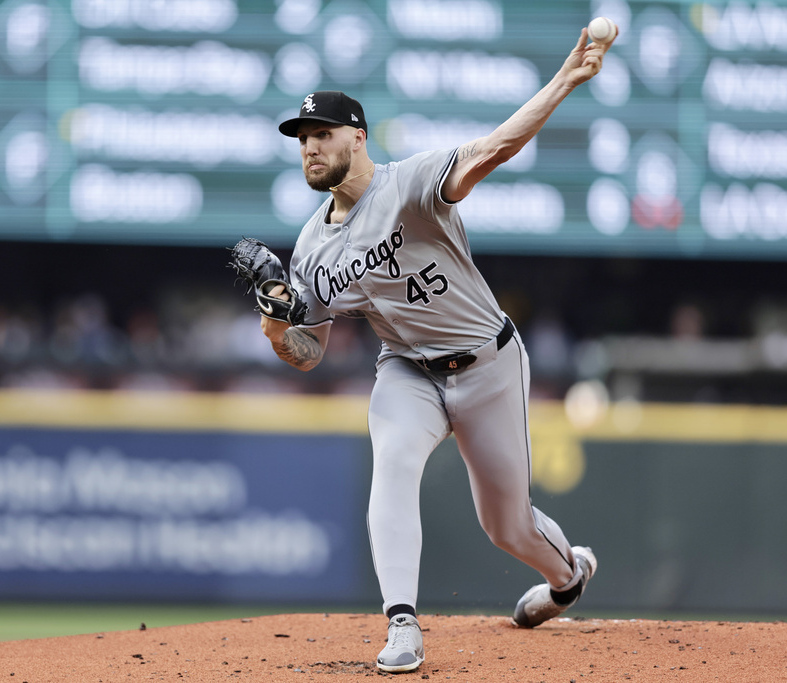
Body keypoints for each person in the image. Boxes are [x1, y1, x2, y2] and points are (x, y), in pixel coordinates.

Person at [261, 24, 617, 674]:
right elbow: (309, 352)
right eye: (302, 139)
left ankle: (570, 575)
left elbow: (496, 147)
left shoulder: (410, 184)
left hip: (487, 361)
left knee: (507, 526)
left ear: (358, 136)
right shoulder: (311, 246)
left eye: (322, 134)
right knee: (393, 459)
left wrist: (566, 78)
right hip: (406, 370)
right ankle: (402, 625)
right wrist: (278, 328)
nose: (310, 147)